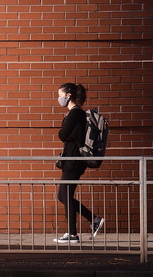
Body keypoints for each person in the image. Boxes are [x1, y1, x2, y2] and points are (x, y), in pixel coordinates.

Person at [54, 82, 104, 244]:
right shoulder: (76, 114)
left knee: (65, 195)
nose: (59, 98)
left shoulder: (75, 113)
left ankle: (73, 234)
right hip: (73, 160)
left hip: (74, 160)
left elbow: (62, 135)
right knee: (63, 195)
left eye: (60, 95)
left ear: (68, 96)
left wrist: (65, 131)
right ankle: (93, 220)